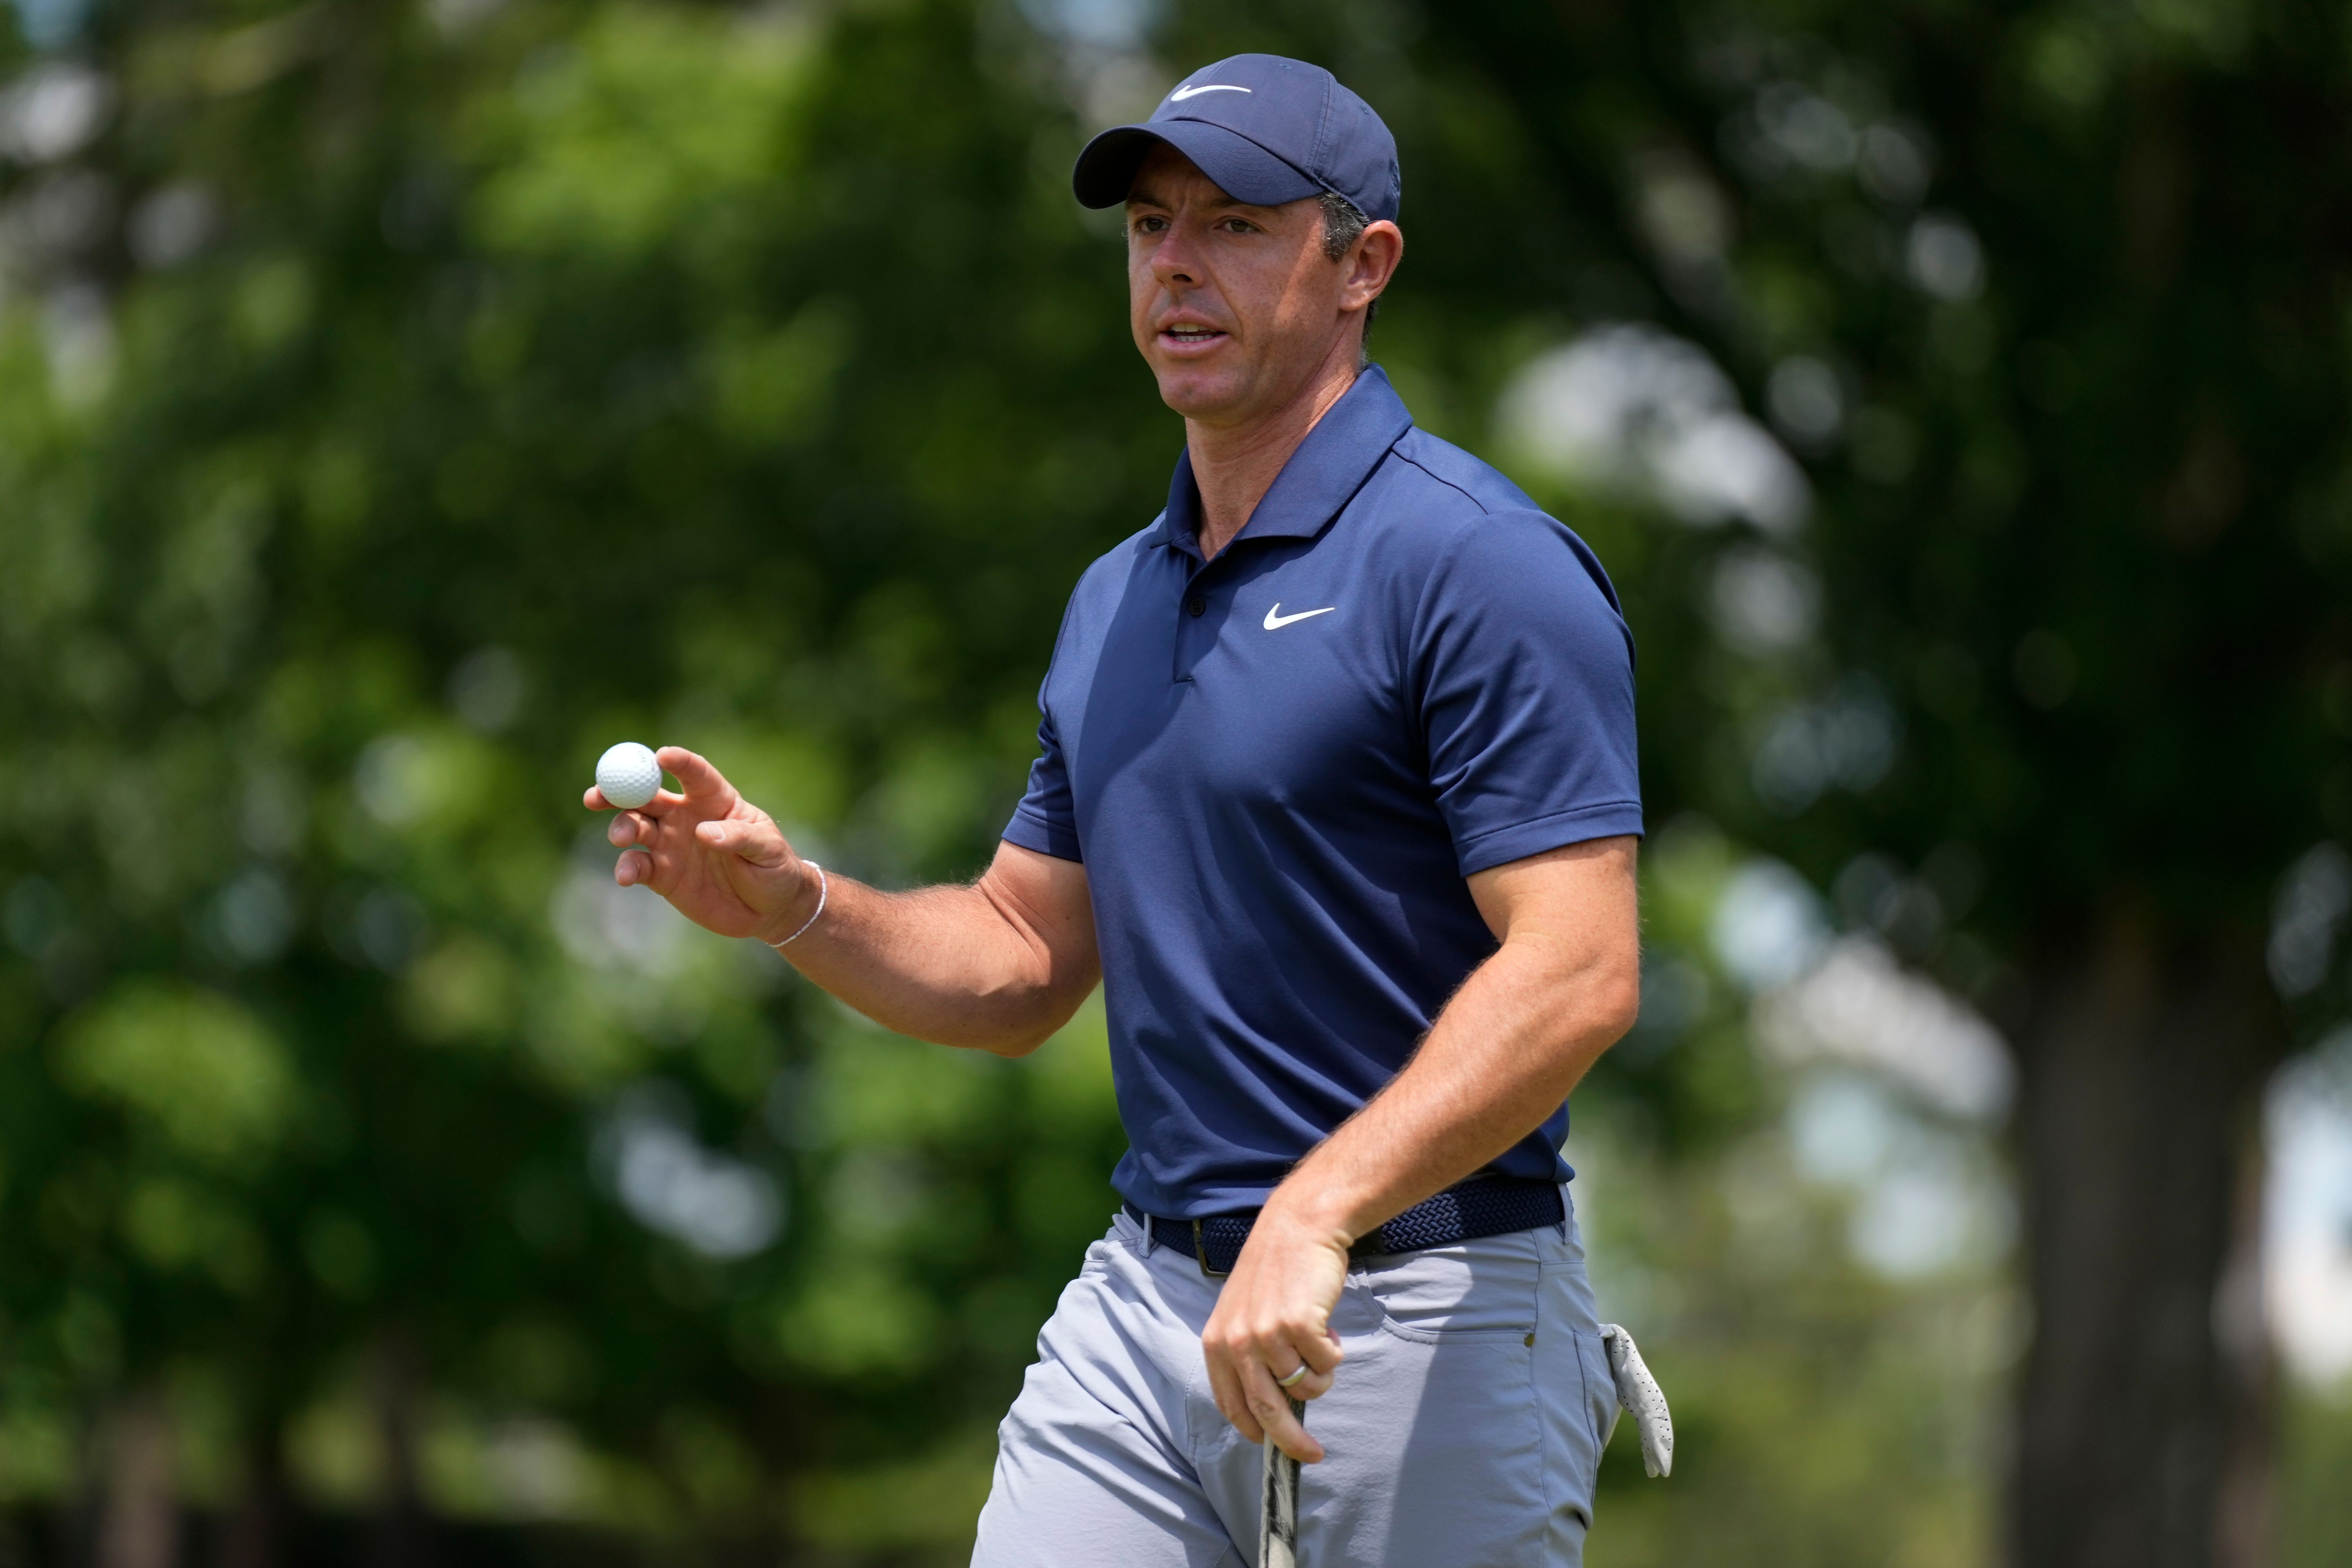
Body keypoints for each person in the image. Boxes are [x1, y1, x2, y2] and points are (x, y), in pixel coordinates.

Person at [590, 52, 1642, 1567]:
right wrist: (798, 907)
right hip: (1147, 1311)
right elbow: (1022, 959)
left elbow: (1580, 965)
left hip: (1428, 1309)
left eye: (1235, 224)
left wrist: (1318, 1207)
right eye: (1152, 227)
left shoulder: (1477, 563)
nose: (1176, 267)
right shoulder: (1114, 601)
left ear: (1363, 267)